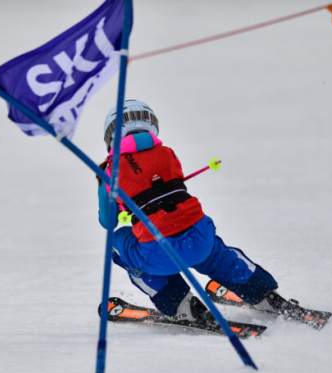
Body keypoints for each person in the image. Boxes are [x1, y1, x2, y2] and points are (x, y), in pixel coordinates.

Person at [97, 100, 287, 325]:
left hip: (159, 254)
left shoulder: (110, 171)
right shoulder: (168, 154)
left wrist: (108, 190)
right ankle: (263, 294)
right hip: (200, 240)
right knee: (214, 253)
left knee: (117, 242)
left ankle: (180, 304)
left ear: (110, 136)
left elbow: (108, 223)